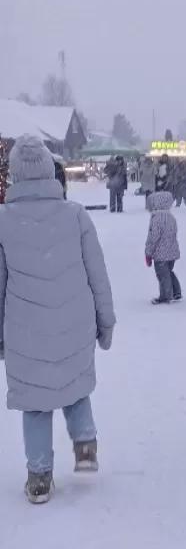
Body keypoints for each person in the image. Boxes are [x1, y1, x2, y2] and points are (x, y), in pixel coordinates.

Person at [0, 134, 116, 504]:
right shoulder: (75, 215)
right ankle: (85, 447)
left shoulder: (3, 221)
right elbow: (97, 272)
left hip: (24, 329)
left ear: (14, 175)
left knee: (34, 404)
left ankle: (38, 477)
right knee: (75, 385)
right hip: (74, 322)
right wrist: (106, 320)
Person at [145, 191, 182, 304]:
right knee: (168, 272)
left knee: (162, 275)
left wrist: (148, 252)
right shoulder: (171, 217)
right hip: (172, 251)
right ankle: (176, 291)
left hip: (160, 253)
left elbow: (153, 237)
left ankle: (166, 296)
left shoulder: (156, 218)